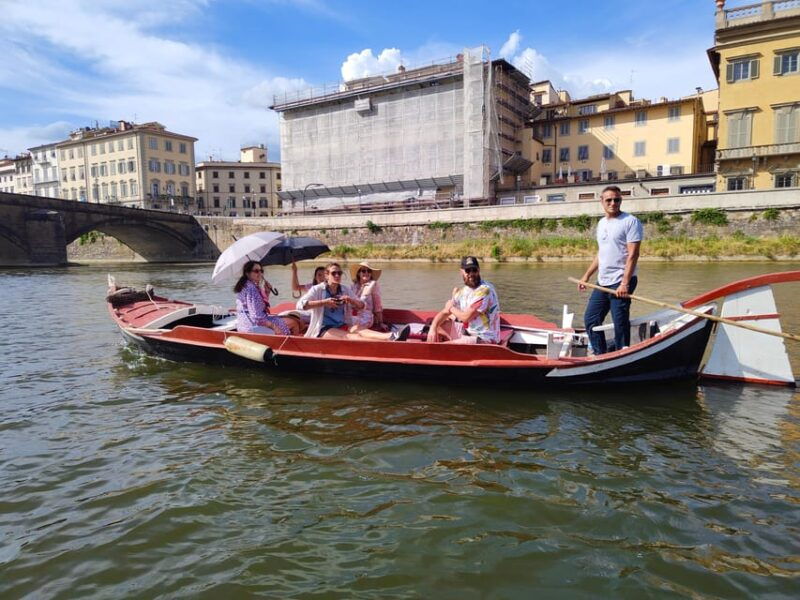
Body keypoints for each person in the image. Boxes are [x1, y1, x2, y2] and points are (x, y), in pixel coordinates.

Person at [578, 185, 643, 354]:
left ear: (621, 200)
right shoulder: (601, 223)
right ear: (602, 201)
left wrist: (624, 284)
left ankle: (622, 353)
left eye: (617, 199)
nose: (613, 203)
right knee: (591, 319)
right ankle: (601, 354)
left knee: (619, 322)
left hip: (621, 281)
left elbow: (633, 255)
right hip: (603, 281)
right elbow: (602, 253)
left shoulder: (630, 221)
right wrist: (586, 276)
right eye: (609, 200)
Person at [297, 262, 409, 341]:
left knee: (361, 330)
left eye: (339, 273)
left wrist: (351, 300)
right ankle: (388, 344)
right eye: (333, 273)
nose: (337, 275)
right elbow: (300, 305)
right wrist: (324, 302)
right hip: (323, 329)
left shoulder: (345, 289)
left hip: (343, 324)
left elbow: (362, 305)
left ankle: (392, 335)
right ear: (327, 275)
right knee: (352, 337)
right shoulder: (318, 289)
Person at [426, 256, 501, 344]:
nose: (471, 274)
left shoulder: (485, 290)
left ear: (479, 270)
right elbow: (444, 312)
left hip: (485, 338)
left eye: (474, 270)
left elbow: (466, 318)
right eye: (468, 271)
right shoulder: (463, 292)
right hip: (468, 333)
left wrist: (451, 308)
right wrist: (433, 328)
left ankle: (445, 347)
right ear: (461, 271)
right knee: (438, 325)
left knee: (442, 347)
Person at [234, 261, 297, 335]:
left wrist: (267, 292)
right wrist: (274, 327)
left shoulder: (245, 285)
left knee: (289, 320)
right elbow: (256, 317)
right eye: (256, 271)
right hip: (253, 326)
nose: (260, 273)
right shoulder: (251, 288)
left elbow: (259, 306)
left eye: (261, 271)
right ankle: (290, 344)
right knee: (294, 323)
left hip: (244, 325)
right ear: (247, 273)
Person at [349, 261, 387, 333]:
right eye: (363, 271)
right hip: (352, 314)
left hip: (366, 316)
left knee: (353, 324)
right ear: (358, 273)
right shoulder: (353, 286)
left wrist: (381, 323)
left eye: (368, 271)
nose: (366, 273)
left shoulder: (373, 285)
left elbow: (377, 306)